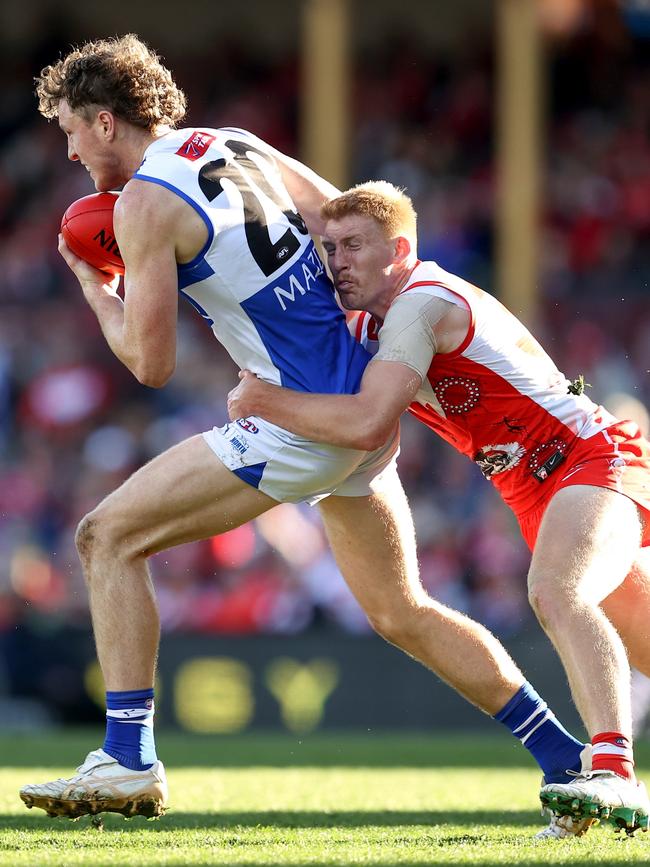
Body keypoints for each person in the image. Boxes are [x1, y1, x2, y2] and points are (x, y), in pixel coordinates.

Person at [24, 35, 587, 836]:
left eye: (72, 130)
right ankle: (567, 761)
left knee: (104, 536)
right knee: (402, 611)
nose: (72, 151)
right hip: (359, 404)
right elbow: (339, 213)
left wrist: (97, 285)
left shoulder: (145, 203)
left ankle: (128, 756)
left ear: (107, 121)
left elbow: (149, 363)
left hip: (299, 420)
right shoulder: (234, 142)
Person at [227, 181, 650, 835]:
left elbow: (368, 421)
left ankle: (612, 774)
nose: (334, 260)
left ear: (398, 249)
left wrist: (260, 401)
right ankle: (601, 776)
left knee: (557, 592)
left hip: (590, 458)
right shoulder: (374, 319)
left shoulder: (422, 302)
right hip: (539, 487)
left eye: (353, 246)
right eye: (329, 246)